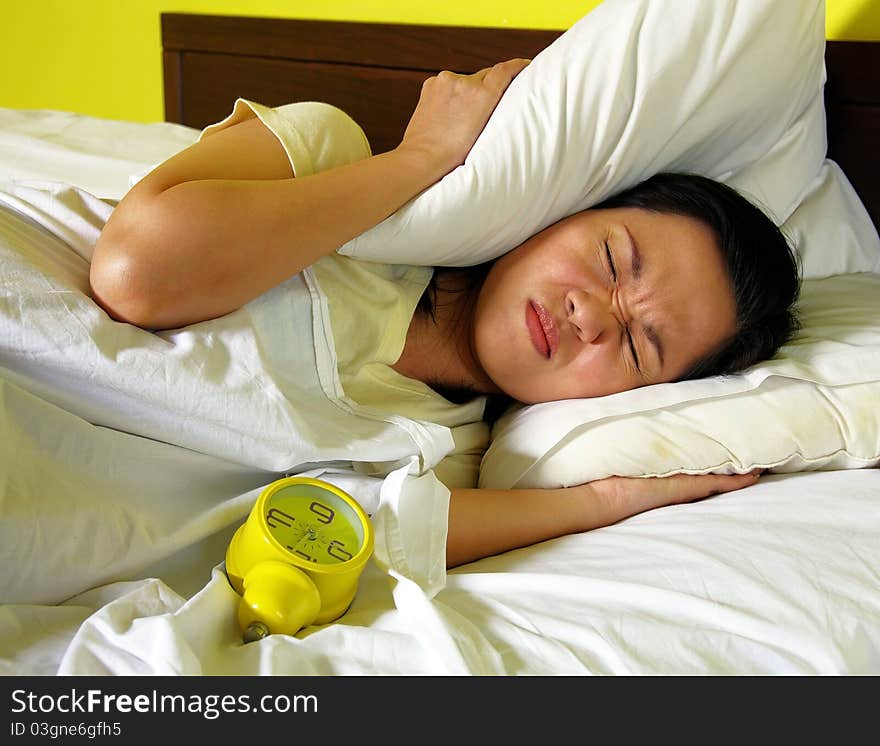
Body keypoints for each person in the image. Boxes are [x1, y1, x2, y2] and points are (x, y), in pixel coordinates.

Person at [89, 59, 800, 568]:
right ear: (564, 210)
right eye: (612, 259)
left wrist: (612, 497)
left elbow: (373, 533)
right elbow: (135, 275)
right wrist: (422, 155)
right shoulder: (326, 156)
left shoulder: (451, 453)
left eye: (640, 347)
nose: (591, 316)